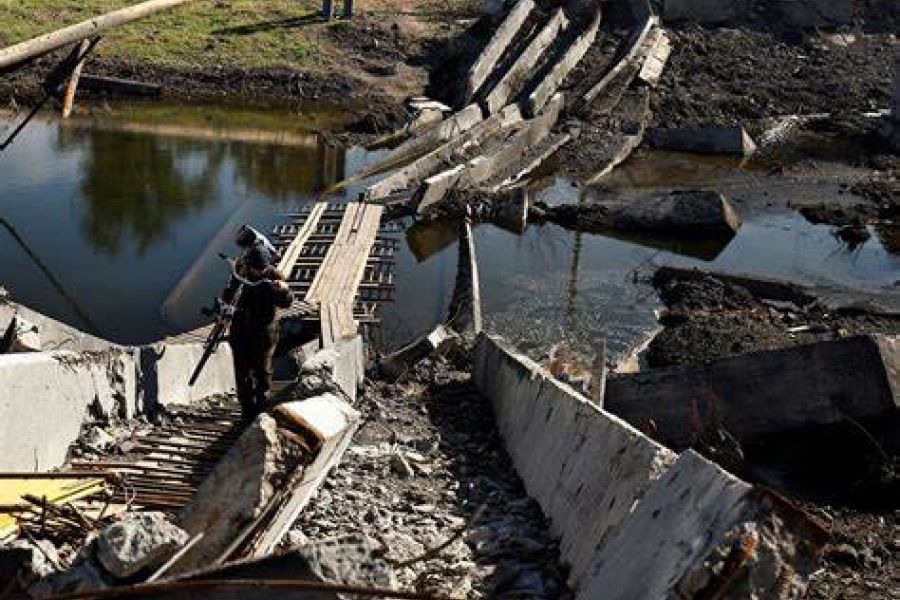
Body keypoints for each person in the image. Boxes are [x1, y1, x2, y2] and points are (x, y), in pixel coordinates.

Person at [228, 226, 292, 420]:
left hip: (264, 330)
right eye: (256, 268)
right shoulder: (241, 269)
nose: (259, 272)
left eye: (262, 268)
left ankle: (262, 405)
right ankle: (247, 410)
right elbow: (229, 290)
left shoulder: (273, 275)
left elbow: (287, 302)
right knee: (242, 371)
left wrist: (282, 290)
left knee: (263, 369)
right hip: (240, 328)